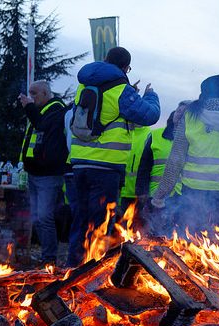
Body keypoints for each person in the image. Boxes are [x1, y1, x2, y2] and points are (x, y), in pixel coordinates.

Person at [68, 46, 160, 266]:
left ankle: (71, 270)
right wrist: (150, 96)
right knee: (101, 222)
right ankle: (90, 276)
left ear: (105, 60)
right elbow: (150, 115)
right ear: (126, 67)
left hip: (80, 164)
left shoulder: (84, 85)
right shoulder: (121, 89)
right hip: (106, 167)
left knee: (80, 220)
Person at [151, 72, 219, 247]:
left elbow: (175, 161)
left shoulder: (190, 117)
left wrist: (159, 196)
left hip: (193, 194)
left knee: (191, 247)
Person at [18, 80, 68, 265]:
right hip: (35, 173)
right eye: (29, 94)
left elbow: (42, 126)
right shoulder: (41, 111)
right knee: (38, 217)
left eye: (34, 94)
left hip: (48, 175)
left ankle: (49, 259)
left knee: (45, 217)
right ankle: (46, 256)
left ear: (46, 94)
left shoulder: (56, 109)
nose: (31, 98)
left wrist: (29, 108)